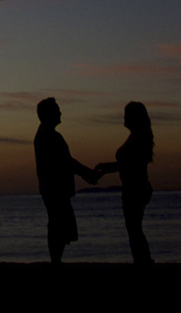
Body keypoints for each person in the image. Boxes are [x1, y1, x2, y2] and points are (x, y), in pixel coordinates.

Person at [34, 97, 101, 264]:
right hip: (53, 188)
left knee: (59, 224)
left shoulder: (48, 135)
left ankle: (56, 260)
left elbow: (67, 161)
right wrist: (88, 174)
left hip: (53, 188)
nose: (60, 112)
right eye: (57, 110)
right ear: (47, 114)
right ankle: (56, 261)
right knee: (58, 224)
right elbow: (67, 162)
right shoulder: (48, 136)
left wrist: (86, 173)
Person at [94, 101, 154, 265]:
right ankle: (142, 261)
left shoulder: (138, 139)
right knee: (134, 229)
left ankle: (143, 262)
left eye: (127, 114)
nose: (124, 117)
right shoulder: (136, 138)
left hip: (135, 187)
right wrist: (107, 167)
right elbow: (126, 164)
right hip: (134, 187)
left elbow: (130, 164)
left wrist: (107, 168)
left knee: (134, 229)